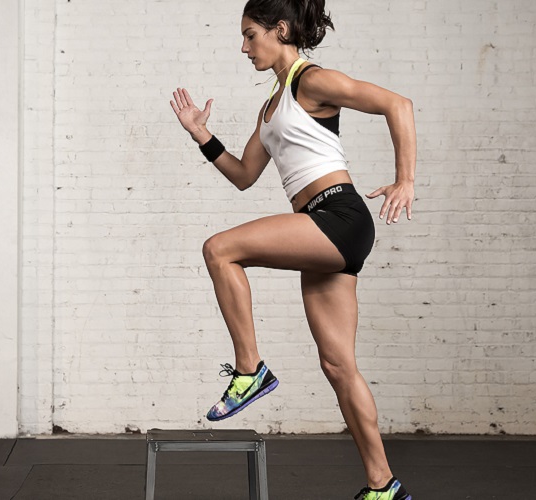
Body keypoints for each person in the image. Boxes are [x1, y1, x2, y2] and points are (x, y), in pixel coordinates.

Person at [169, 0, 417, 498]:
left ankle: (249, 370)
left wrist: (404, 180)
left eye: (250, 36)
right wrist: (203, 136)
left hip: (338, 216)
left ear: (279, 29)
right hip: (319, 226)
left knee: (219, 249)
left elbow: (398, 104)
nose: (244, 48)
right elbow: (243, 176)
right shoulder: (272, 106)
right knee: (338, 365)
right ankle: (383, 486)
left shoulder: (311, 80)